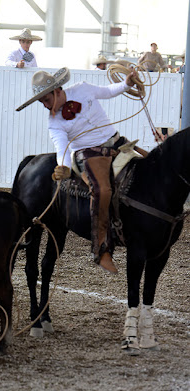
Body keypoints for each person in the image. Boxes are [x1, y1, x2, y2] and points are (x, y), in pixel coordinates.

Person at [16, 67, 140, 274]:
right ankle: (101, 249)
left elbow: (108, 91)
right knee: (102, 191)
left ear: (57, 91)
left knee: (150, 167)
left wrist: (127, 84)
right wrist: (63, 166)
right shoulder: (54, 122)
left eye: (46, 100)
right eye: (42, 102)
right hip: (89, 155)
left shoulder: (83, 89)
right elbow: (61, 147)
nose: (45, 106)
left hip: (118, 144)